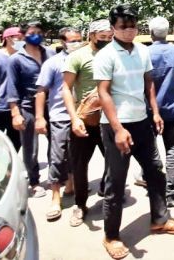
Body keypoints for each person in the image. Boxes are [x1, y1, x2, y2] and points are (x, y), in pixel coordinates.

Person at [95, 5, 174, 259]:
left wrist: (155, 112)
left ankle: (159, 219)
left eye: (132, 25)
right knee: (116, 181)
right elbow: (104, 93)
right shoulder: (106, 55)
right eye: (123, 26)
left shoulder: (143, 51)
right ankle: (111, 236)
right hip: (117, 126)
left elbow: (149, 85)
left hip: (142, 121)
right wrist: (118, 129)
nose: (129, 30)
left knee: (155, 172)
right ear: (113, 28)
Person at [62, 19, 112, 227]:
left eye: (110, 38)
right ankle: (80, 204)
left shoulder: (114, 55)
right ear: (91, 35)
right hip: (86, 120)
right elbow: (66, 88)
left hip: (109, 119)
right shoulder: (77, 57)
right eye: (103, 38)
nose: (107, 41)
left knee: (113, 162)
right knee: (80, 165)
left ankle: (109, 196)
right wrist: (74, 118)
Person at [35, 27, 82, 221]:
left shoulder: (86, 58)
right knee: (57, 156)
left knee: (77, 156)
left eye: (79, 39)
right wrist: (40, 117)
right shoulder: (53, 63)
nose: (77, 43)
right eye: (73, 40)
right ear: (63, 42)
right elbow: (41, 91)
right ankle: (56, 198)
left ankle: (73, 186)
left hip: (81, 115)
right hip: (60, 116)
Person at [7, 21, 54, 198]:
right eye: (32, 32)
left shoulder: (49, 53)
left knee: (56, 143)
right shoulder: (16, 59)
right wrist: (15, 113)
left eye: (39, 32)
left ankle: (55, 176)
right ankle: (34, 181)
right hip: (27, 107)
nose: (36, 35)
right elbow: (11, 88)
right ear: (24, 35)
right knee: (30, 148)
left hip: (51, 105)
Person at [148, 17, 174, 207]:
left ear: (151, 32)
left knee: (151, 149)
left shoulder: (144, 53)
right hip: (172, 107)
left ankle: (155, 186)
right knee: (172, 148)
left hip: (149, 109)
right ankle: (172, 193)